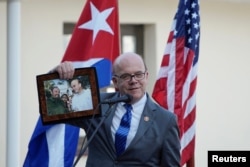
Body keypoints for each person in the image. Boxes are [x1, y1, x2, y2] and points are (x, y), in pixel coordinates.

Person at [51, 53, 181, 166]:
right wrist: (54, 75)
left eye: (138, 74)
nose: (133, 81)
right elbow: (51, 111)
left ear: (146, 76)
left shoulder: (165, 120)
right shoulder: (96, 103)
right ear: (115, 81)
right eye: (125, 76)